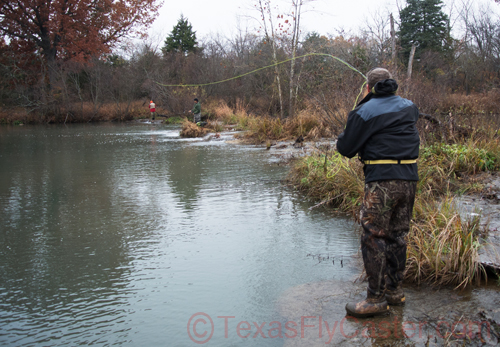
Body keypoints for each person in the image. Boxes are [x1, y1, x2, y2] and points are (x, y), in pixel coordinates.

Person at [337, 68, 420, 318]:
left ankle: (375, 298)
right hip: (409, 180)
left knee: (374, 237)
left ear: (368, 87)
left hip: (381, 182)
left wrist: (361, 108)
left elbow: (346, 148)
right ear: (392, 85)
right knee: (398, 236)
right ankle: (395, 293)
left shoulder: (364, 111)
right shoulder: (410, 107)